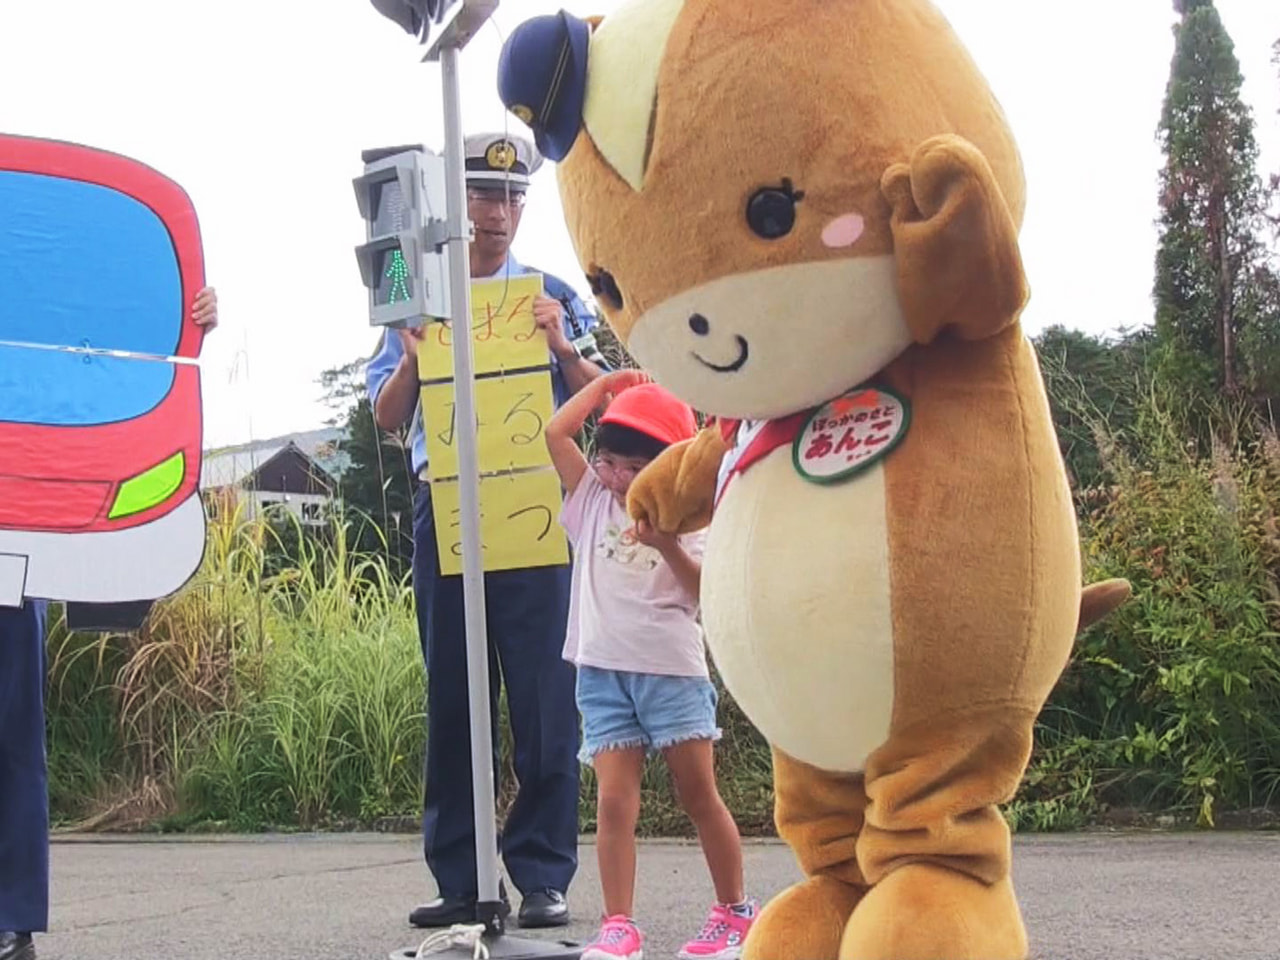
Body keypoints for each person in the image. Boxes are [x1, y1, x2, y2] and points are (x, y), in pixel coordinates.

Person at [366, 132, 609, 930]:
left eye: (511, 199)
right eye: (482, 195)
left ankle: (542, 874)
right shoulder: (417, 287)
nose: (497, 213)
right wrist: (409, 358)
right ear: (454, 201)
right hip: (445, 509)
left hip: (535, 511)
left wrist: (562, 349)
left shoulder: (549, 290)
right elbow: (385, 416)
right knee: (455, 698)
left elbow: (608, 398)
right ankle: (462, 879)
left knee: (546, 698)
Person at [0, 287, 218, 960]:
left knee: (11, 740)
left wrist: (185, 328)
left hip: (12, 543)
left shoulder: (36, 292)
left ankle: (12, 917)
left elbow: (103, 355)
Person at [544, 371, 759, 960]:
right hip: (600, 670)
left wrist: (665, 542)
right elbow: (555, 433)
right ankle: (620, 926)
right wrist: (605, 385)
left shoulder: (691, 519)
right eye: (608, 460)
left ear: (666, 468)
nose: (616, 478)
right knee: (614, 802)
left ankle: (735, 910)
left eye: (634, 468)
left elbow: (702, 593)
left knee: (698, 795)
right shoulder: (589, 498)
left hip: (669, 671)